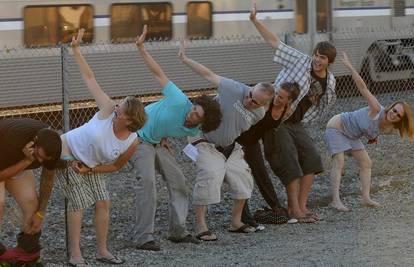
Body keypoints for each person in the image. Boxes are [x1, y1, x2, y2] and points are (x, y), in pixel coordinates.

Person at [56, 29, 147, 267]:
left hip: (90, 165)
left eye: (122, 106)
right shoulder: (107, 110)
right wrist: (76, 50)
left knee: (103, 201)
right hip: (67, 151)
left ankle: (102, 251)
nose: (117, 105)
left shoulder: (132, 141)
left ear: (127, 119)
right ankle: (75, 254)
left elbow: (116, 166)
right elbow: (90, 78)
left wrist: (90, 171)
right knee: (79, 201)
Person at [130, 25, 222, 251]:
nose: (191, 113)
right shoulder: (179, 100)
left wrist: (162, 136)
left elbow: (170, 127)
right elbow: (158, 73)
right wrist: (141, 48)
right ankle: (143, 237)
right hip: (138, 138)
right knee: (148, 183)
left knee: (179, 181)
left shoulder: (193, 131)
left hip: (156, 141)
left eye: (196, 115)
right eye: (194, 108)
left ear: (202, 122)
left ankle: (178, 232)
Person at [179, 40, 274, 241]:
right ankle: (200, 226)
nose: (249, 101)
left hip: (229, 147)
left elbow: (239, 127)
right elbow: (209, 75)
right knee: (211, 173)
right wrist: (186, 59)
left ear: (264, 104)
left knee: (243, 178)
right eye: (250, 95)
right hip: (204, 139)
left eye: (255, 102)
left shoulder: (259, 114)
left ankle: (236, 222)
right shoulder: (234, 89)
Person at [251, 4, 337, 223]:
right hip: (277, 120)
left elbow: (325, 104)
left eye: (323, 58)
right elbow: (274, 43)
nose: (317, 60)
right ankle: (294, 210)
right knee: (289, 162)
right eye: (317, 55)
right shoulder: (300, 60)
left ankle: (302, 207)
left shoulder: (330, 81)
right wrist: (255, 21)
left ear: (329, 62)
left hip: (297, 123)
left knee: (312, 159)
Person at [326, 52, 414, 211]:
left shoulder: (391, 127)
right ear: (392, 106)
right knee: (339, 161)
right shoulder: (376, 108)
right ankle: (335, 200)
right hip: (338, 127)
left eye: (398, 115)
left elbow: (404, 132)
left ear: (400, 119)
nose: (394, 114)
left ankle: (366, 198)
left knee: (367, 163)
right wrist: (350, 66)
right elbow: (362, 86)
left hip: (352, 136)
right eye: (394, 110)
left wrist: (373, 137)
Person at [237, 82, 300, 226]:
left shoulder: (287, 110)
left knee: (262, 174)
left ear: (289, 101)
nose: (277, 98)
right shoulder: (265, 103)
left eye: (282, 97)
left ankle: (277, 208)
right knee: (242, 176)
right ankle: (244, 217)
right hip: (239, 140)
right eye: (277, 94)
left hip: (252, 142)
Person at [0, 119, 61, 263]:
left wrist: (41, 213)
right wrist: (27, 161)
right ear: (33, 143)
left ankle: (26, 251)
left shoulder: (52, 146)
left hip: (17, 165)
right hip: (2, 158)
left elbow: (47, 180)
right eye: (38, 156)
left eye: (44, 159)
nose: (40, 161)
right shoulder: (12, 137)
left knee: (32, 206)